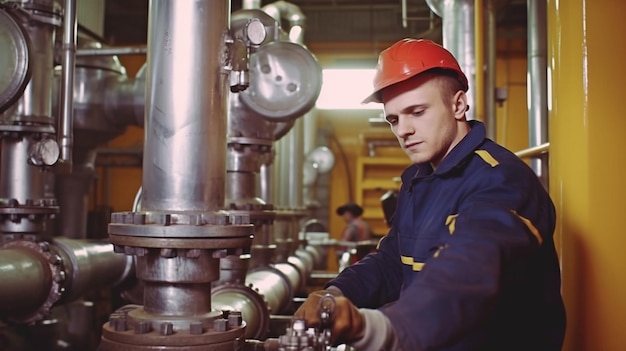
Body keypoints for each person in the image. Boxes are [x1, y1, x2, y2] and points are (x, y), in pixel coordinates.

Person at [294, 38, 566, 350]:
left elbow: (472, 265)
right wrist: (336, 294)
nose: (403, 130)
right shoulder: (418, 181)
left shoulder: (500, 178)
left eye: (417, 112)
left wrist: (387, 328)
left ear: (459, 105)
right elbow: (392, 261)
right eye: (394, 119)